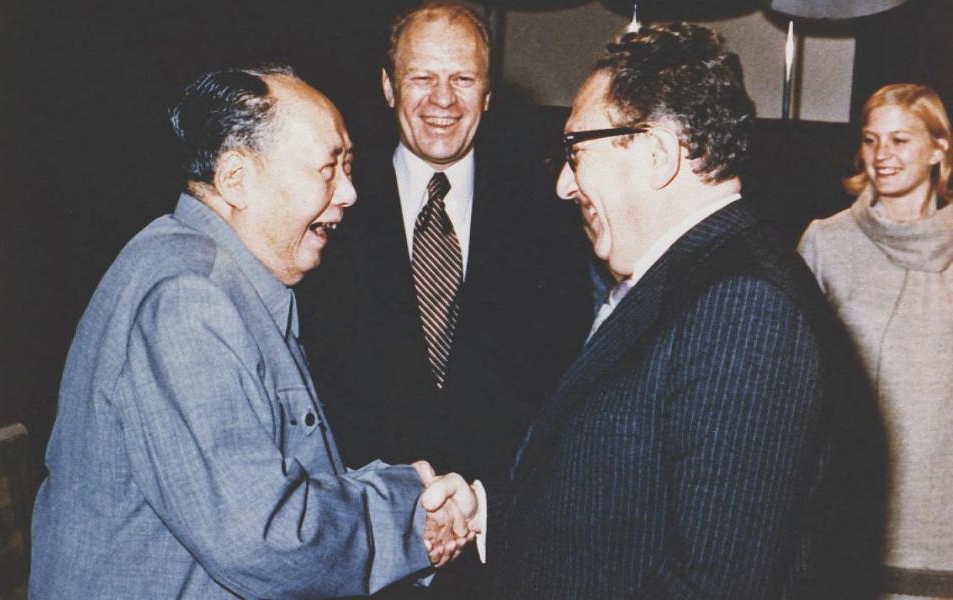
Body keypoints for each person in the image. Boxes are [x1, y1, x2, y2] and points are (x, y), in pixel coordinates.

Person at [29, 65, 482, 599]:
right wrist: (411, 516)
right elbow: (264, 537)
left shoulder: (222, 281)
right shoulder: (188, 301)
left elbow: (284, 485)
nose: (351, 193)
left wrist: (412, 500)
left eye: (350, 166)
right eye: (328, 169)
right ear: (236, 179)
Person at [490, 22, 882, 599]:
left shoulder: (744, 308)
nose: (563, 187)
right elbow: (624, 506)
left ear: (654, 155)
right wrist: (488, 511)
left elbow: (708, 585)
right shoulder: (688, 279)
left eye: (575, 151)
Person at [295, 5, 591, 597]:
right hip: (353, 554)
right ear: (387, 86)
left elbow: (559, 385)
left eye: (463, 79)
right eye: (421, 77)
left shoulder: (549, 213)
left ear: (488, 93)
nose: (443, 100)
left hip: (496, 558)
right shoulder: (324, 209)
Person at [798, 83, 953, 599]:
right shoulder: (826, 242)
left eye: (900, 140)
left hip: (940, 524)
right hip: (851, 518)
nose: (881, 155)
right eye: (870, 140)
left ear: (939, 148)